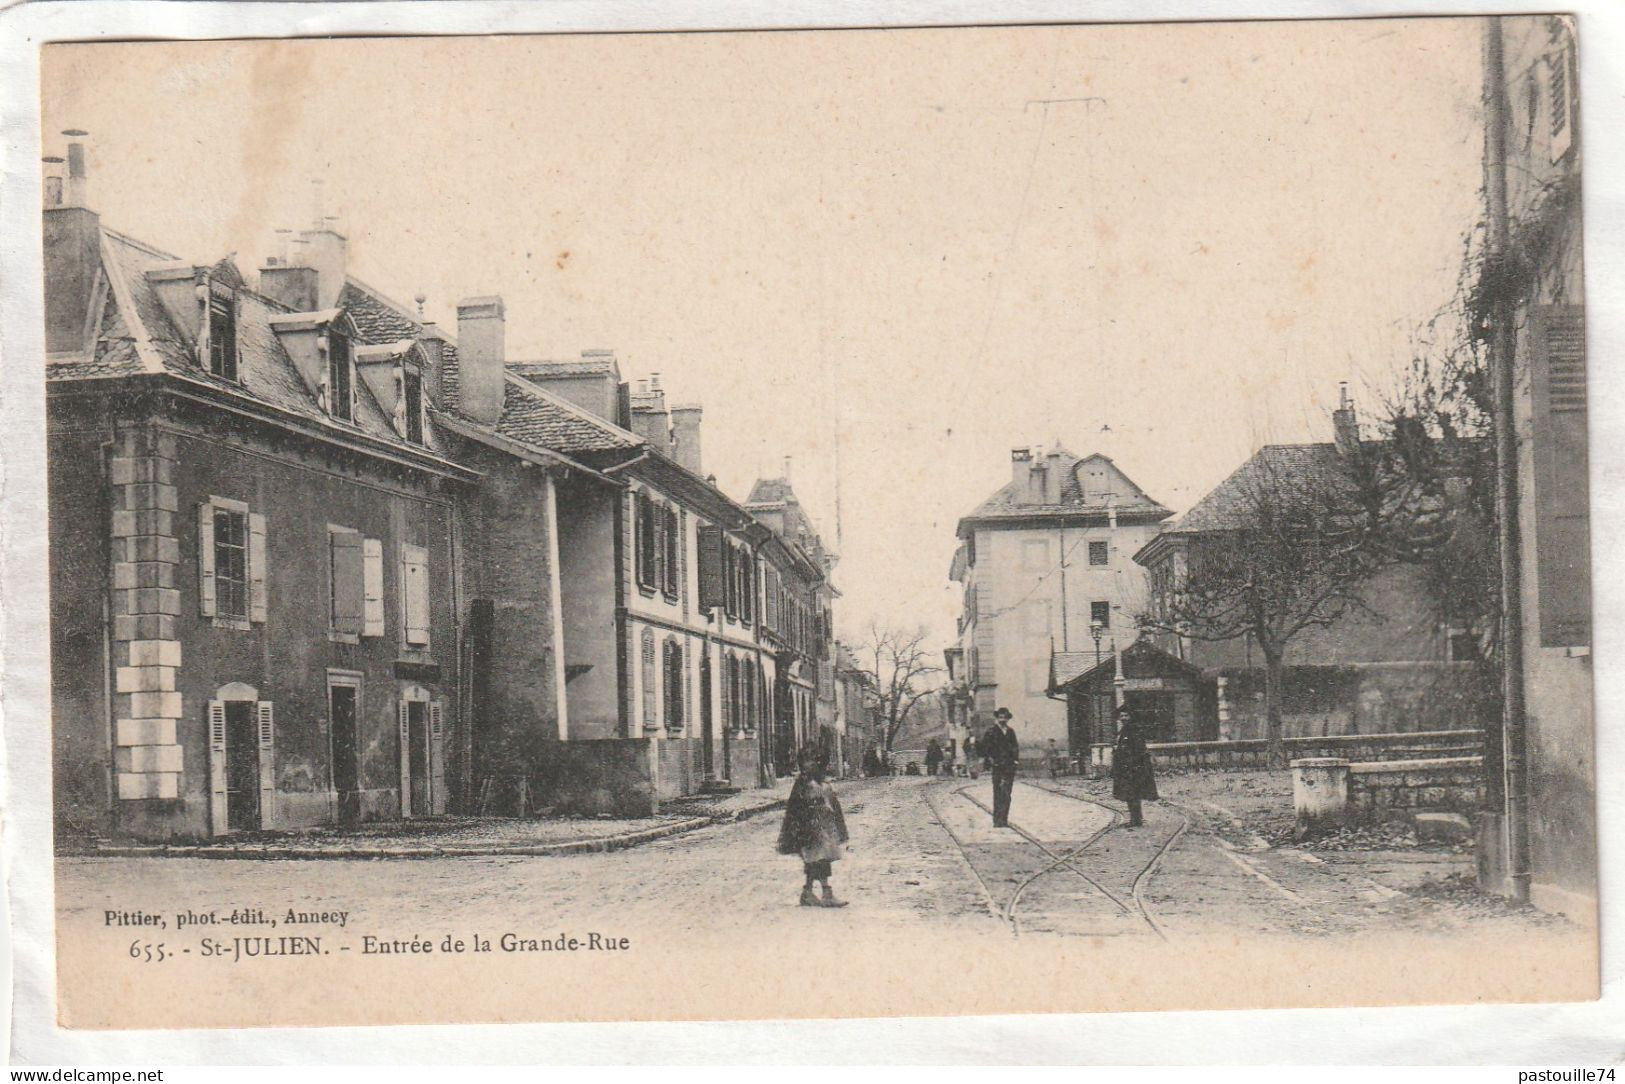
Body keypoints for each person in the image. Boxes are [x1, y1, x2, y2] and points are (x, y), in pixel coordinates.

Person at [777, 751, 851, 907]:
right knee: (821, 859)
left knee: (814, 860)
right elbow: (804, 806)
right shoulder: (807, 783)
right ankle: (826, 894)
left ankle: (808, 893)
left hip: (818, 827)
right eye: (808, 762)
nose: (811, 765)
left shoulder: (814, 781)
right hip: (811, 828)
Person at [1110, 706, 1159, 827]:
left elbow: (1138, 750)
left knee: (1133, 794)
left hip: (1134, 768)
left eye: (1126, 716)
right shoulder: (1124, 731)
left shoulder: (1134, 730)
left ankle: (1136, 820)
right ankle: (1136, 818)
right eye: (1121, 716)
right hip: (1125, 768)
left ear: (1131, 717)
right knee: (1130, 794)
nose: (1123, 718)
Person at [981, 707, 1020, 828]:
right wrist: (991, 760)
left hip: (1009, 767)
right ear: (997, 718)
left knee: (1007, 793)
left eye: (1005, 717)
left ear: (1008, 718)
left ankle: (1004, 819)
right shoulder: (991, 731)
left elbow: (1015, 747)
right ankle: (997, 820)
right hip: (997, 766)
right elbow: (985, 748)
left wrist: (1015, 761)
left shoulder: (1011, 731)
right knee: (998, 792)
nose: (1003, 719)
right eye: (1000, 717)